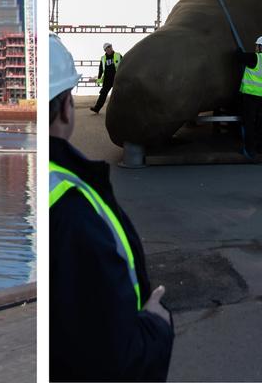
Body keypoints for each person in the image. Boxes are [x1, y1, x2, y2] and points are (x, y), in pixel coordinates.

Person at [49, 34, 173, 382]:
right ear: (66, 107)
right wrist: (156, 326)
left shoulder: (61, 193)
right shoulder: (75, 208)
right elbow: (113, 358)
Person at [234, 35, 262, 159]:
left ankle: (250, 149)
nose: (255, 47)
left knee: (249, 123)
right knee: (260, 123)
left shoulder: (255, 57)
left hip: (251, 96)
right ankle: (261, 147)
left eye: (257, 45)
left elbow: (239, 57)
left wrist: (238, 50)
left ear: (261, 47)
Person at [90, 42, 121, 113]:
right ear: (105, 50)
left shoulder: (118, 55)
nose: (110, 48)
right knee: (103, 94)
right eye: (108, 48)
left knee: (119, 94)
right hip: (107, 79)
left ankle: (121, 109)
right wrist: (99, 78)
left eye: (110, 47)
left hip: (116, 78)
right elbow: (100, 69)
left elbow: (123, 65)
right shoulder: (103, 58)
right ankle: (97, 108)